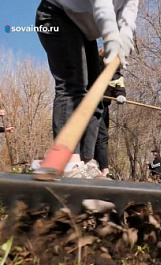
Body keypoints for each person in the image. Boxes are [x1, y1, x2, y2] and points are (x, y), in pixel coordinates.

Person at [35, 0, 138, 176]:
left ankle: (87, 161)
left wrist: (126, 38)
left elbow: (128, 12)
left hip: (83, 29)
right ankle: (68, 162)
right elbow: (101, 4)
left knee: (95, 98)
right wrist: (112, 37)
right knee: (72, 86)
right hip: (56, 14)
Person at [94, 47, 127, 178]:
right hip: (89, 106)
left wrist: (121, 95)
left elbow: (120, 89)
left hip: (103, 108)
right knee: (90, 136)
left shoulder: (117, 75)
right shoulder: (94, 67)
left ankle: (102, 169)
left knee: (102, 138)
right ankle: (96, 166)